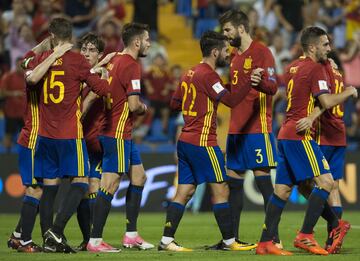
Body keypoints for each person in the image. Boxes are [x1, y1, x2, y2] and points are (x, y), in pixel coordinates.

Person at [256, 26, 355, 256]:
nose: (329, 49)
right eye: (325, 44)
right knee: (327, 183)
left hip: (284, 133)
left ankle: (265, 242)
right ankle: (306, 235)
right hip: (299, 136)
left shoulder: (292, 66)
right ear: (312, 47)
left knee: (281, 191)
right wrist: (349, 91)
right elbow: (328, 101)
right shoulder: (314, 68)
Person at [158, 30, 256, 252]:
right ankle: (230, 242)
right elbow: (230, 101)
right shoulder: (209, 75)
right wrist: (249, 82)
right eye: (224, 50)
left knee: (184, 191)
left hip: (185, 140)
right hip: (203, 141)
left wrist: (198, 102)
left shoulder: (189, 72)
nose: (227, 54)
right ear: (215, 52)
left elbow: (174, 104)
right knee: (221, 188)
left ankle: (166, 241)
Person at [28, 17, 110, 253]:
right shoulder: (77, 61)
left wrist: (43, 49)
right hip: (69, 134)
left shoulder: (43, 59)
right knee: (81, 182)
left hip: (44, 133)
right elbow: (102, 90)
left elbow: (25, 64)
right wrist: (103, 74)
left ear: (52, 36)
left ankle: (48, 240)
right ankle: (57, 229)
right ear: (71, 36)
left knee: (49, 186)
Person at [86, 22, 152, 252]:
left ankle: (131, 235)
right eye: (147, 39)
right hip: (117, 133)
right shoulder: (132, 65)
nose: (149, 43)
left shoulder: (115, 60)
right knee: (110, 183)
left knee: (139, 177)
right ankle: (95, 240)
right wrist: (144, 107)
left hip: (117, 131)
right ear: (137, 42)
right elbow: (133, 105)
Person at [217, 9, 278, 248]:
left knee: (264, 184)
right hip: (235, 130)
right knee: (233, 185)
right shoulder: (233, 56)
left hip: (257, 129)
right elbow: (233, 90)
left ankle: (273, 237)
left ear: (241, 29)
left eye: (228, 30)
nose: (226, 34)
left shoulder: (262, 52)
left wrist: (260, 82)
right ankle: (231, 239)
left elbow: (273, 87)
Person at [6, 38, 72, 253]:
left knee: (39, 190)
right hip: (33, 138)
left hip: (35, 137)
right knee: (35, 190)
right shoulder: (36, 77)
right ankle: (24, 241)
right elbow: (32, 67)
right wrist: (53, 53)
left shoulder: (33, 68)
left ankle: (18, 235)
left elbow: (26, 60)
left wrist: (44, 45)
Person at [295, 52, 350, 254]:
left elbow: (323, 102)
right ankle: (332, 240)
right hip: (339, 135)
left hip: (322, 135)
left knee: (304, 183)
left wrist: (310, 118)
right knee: (333, 188)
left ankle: (329, 227)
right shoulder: (339, 75)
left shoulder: (321, 71)